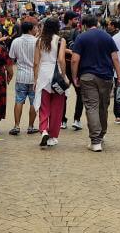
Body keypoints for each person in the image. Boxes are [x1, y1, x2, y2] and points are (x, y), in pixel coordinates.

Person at [71, 13, 120, 152]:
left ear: (84, 25)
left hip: (87, 76)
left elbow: (75, 59)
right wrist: (119, 77)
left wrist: (74, 76)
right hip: (106, 76)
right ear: (97, 23)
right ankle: (101, 134)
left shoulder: (81, 37)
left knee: (91, 107)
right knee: (103, 107)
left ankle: (95, 141)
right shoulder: (107, 37)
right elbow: (115, 58)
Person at [33, 18, 69, 147]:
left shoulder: (39, 41)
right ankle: (53, 136)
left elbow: (36, 63)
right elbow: (61, 59)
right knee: (57, 108)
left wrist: (35, 80)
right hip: (57, 76)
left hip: (43, 75)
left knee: (44, 107)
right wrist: (64, 75)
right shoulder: (60, 40)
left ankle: (43, 130)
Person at [7, 21, 39, 135]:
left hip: (21, 75)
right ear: (30, 29)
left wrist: (9, 73)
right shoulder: (37, 41)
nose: (36, 29)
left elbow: (10, 58)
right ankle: (30, 126)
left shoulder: (16, 41)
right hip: (34, 76)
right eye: (35, 27)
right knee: (34, 102)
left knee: (19, 100)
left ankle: (16, 126)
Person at [59, 11, 84, 130]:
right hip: (74, 66)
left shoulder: (58, 32)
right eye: (75, 19)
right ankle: (77, 119)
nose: (77, 21)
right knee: (80, 93)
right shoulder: (77, 32)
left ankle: (62, 120)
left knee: (62, 93)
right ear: (69, 20)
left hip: (62, 65)